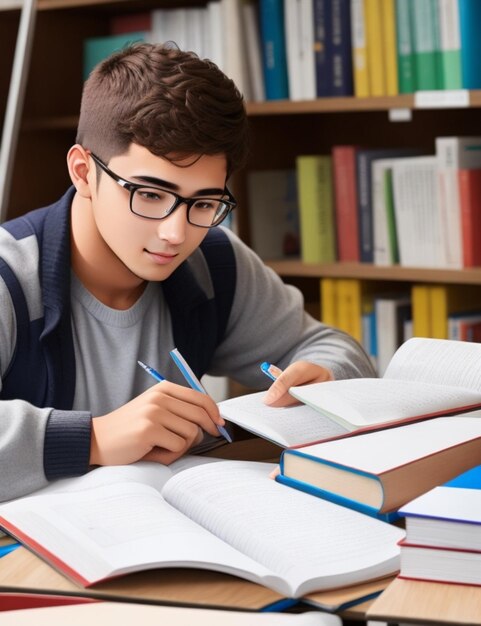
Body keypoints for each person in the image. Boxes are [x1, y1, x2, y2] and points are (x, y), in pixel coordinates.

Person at [0, 43, 375, 502]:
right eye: (150, 194)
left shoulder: (216, 262)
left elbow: (332, 347)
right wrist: (93, 438)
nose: (176, 233)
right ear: (82, 172)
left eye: (203, 203)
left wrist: (328, 375)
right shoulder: (7, 278)